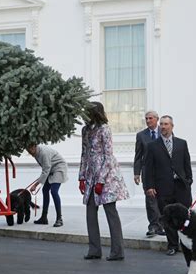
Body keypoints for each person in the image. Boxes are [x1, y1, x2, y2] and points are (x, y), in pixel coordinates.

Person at [79, 102, 129, 261]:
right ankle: (94, 250)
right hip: (91, 175)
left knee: (110, 212)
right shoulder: (85, 130)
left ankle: (117, 251)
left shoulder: (105, 129)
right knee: (90, 211)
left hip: (107, 176)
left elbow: (108, 156)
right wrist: (81, 176)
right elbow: (84, 154)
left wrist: (101, 181)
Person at [144, 115, 192, 256]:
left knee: (184, 217)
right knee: (168, 218)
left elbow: (186, 163)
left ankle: (186, 244)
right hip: (163, 187)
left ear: (172, 126)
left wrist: (189, 180)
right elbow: (148, 168)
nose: (163, 127)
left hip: (181, 187)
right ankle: (172, 245)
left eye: (166, 124)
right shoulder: (152, 146)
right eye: (162, 124)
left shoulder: (182, 143)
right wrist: (149, 186)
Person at [133, 110, 165, 237]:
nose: (148, 120)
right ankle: (153, 226)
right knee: (150, 200)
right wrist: (137, 173)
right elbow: (138, 155)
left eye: (150, 118)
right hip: (148, 173)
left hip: (163, 172)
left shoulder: (164, 131)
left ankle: (162, 225)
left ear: (156, 119)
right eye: (146, 118)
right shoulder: (141, 135)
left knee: (162, 199)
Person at [27, 144, 68, 227]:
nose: (30, 152)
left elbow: (46, 169)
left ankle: (59, 219)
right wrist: (41, 179)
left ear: (35, 146)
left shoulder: (43, 152)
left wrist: (35, 185)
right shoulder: (36, 153)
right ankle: (44, 218)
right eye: (28, 150)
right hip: (50, 170)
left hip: (59, 168)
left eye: (30, 149)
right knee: (45, 190)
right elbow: (46, 169)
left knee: (54, 191)